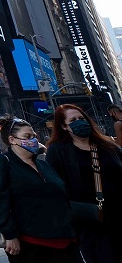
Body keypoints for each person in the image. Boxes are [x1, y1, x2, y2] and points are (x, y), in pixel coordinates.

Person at [0, 116, 77, 261]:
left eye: (34, 136)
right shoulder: (2, 162)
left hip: (65, 240)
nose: (33, 140)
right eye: (27, 136)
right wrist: (10, 235)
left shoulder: (44, 165)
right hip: (31, 244)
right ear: (12, 139)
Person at [43, 104, 122, 262]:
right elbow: (54, 188)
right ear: (64, 126)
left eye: (81, 118)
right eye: (73, 120)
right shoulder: (58, 150)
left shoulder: (107, 145)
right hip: (91, 221)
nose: (79, 122)